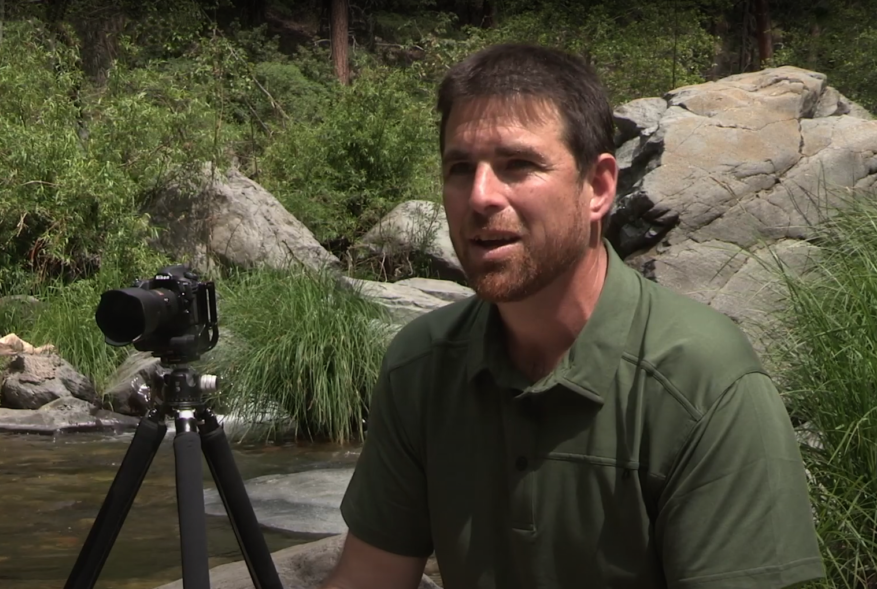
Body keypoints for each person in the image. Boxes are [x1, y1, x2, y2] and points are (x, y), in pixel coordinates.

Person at [319, 43, 825, 589]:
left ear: (599, 187)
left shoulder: (704, 384)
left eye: (519, 165)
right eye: (460, 168)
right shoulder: (420, 365)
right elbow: (369, 577)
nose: (481, 196)